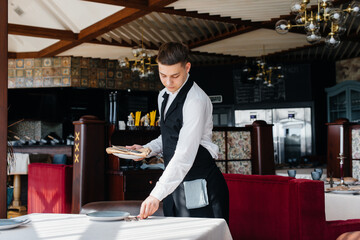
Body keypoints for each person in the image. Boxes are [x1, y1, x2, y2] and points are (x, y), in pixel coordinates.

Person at [127, 42, 229, 222]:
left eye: (175, 76)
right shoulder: (163, 96)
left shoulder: (195, 100)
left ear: (187, 67)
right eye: (163, 75)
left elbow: (184, 153)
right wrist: (146, 150)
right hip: (176, 183)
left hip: (200, 181)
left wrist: (155, 195)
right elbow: (170, 136)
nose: (168, 82)